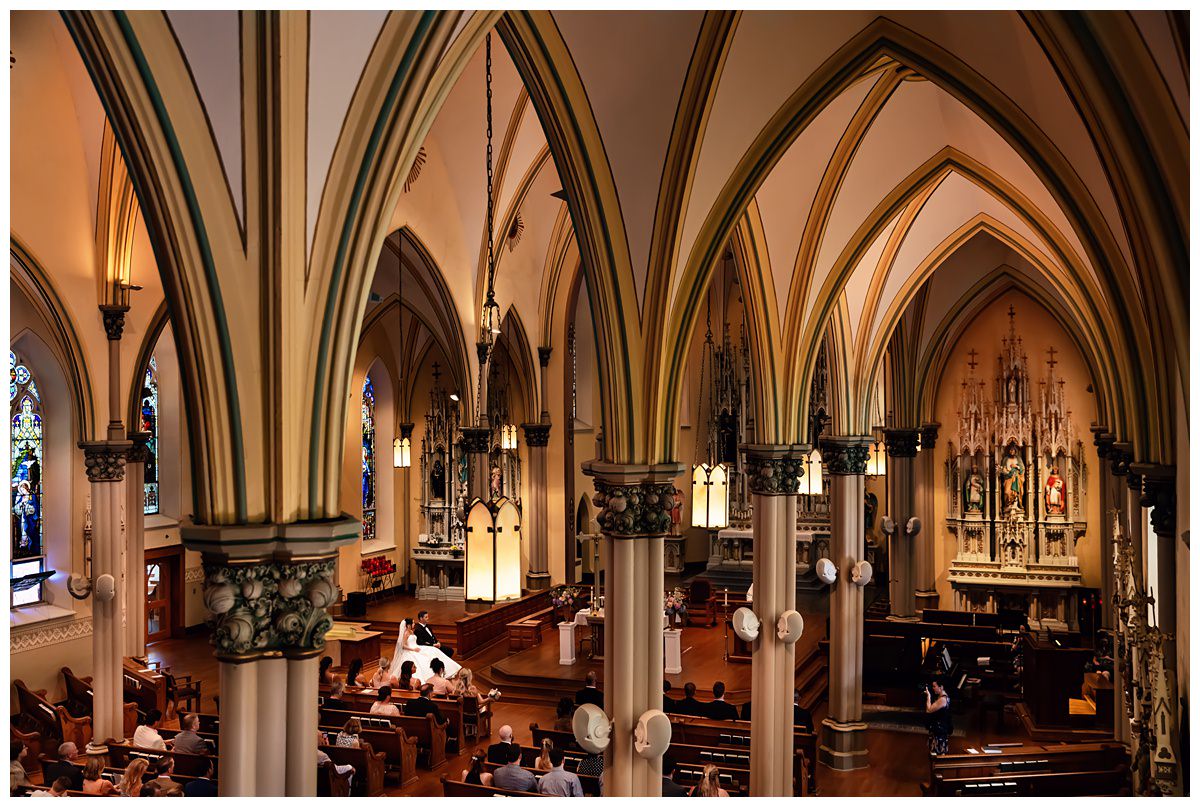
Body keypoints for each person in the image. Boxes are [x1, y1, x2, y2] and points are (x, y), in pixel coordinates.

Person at [390, 619, 461, 681]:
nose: (414, 624)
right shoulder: (406, 633)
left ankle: (442, 670)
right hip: (411, 650)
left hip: (417, 647)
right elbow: (403, 646)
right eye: (413, 623)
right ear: (409, 625)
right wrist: (413, 649)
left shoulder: (411, 631)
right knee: (423, 659)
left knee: (432, 650)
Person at [925, 679, 952, 755]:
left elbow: (928, 710)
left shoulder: (942, 699)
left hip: (939, 731)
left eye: (934, 686)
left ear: (941, 687)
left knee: (937, 755)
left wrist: (928, 696)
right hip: (939, 729)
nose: (933, 688)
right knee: (936, 754)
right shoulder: (942, 697)